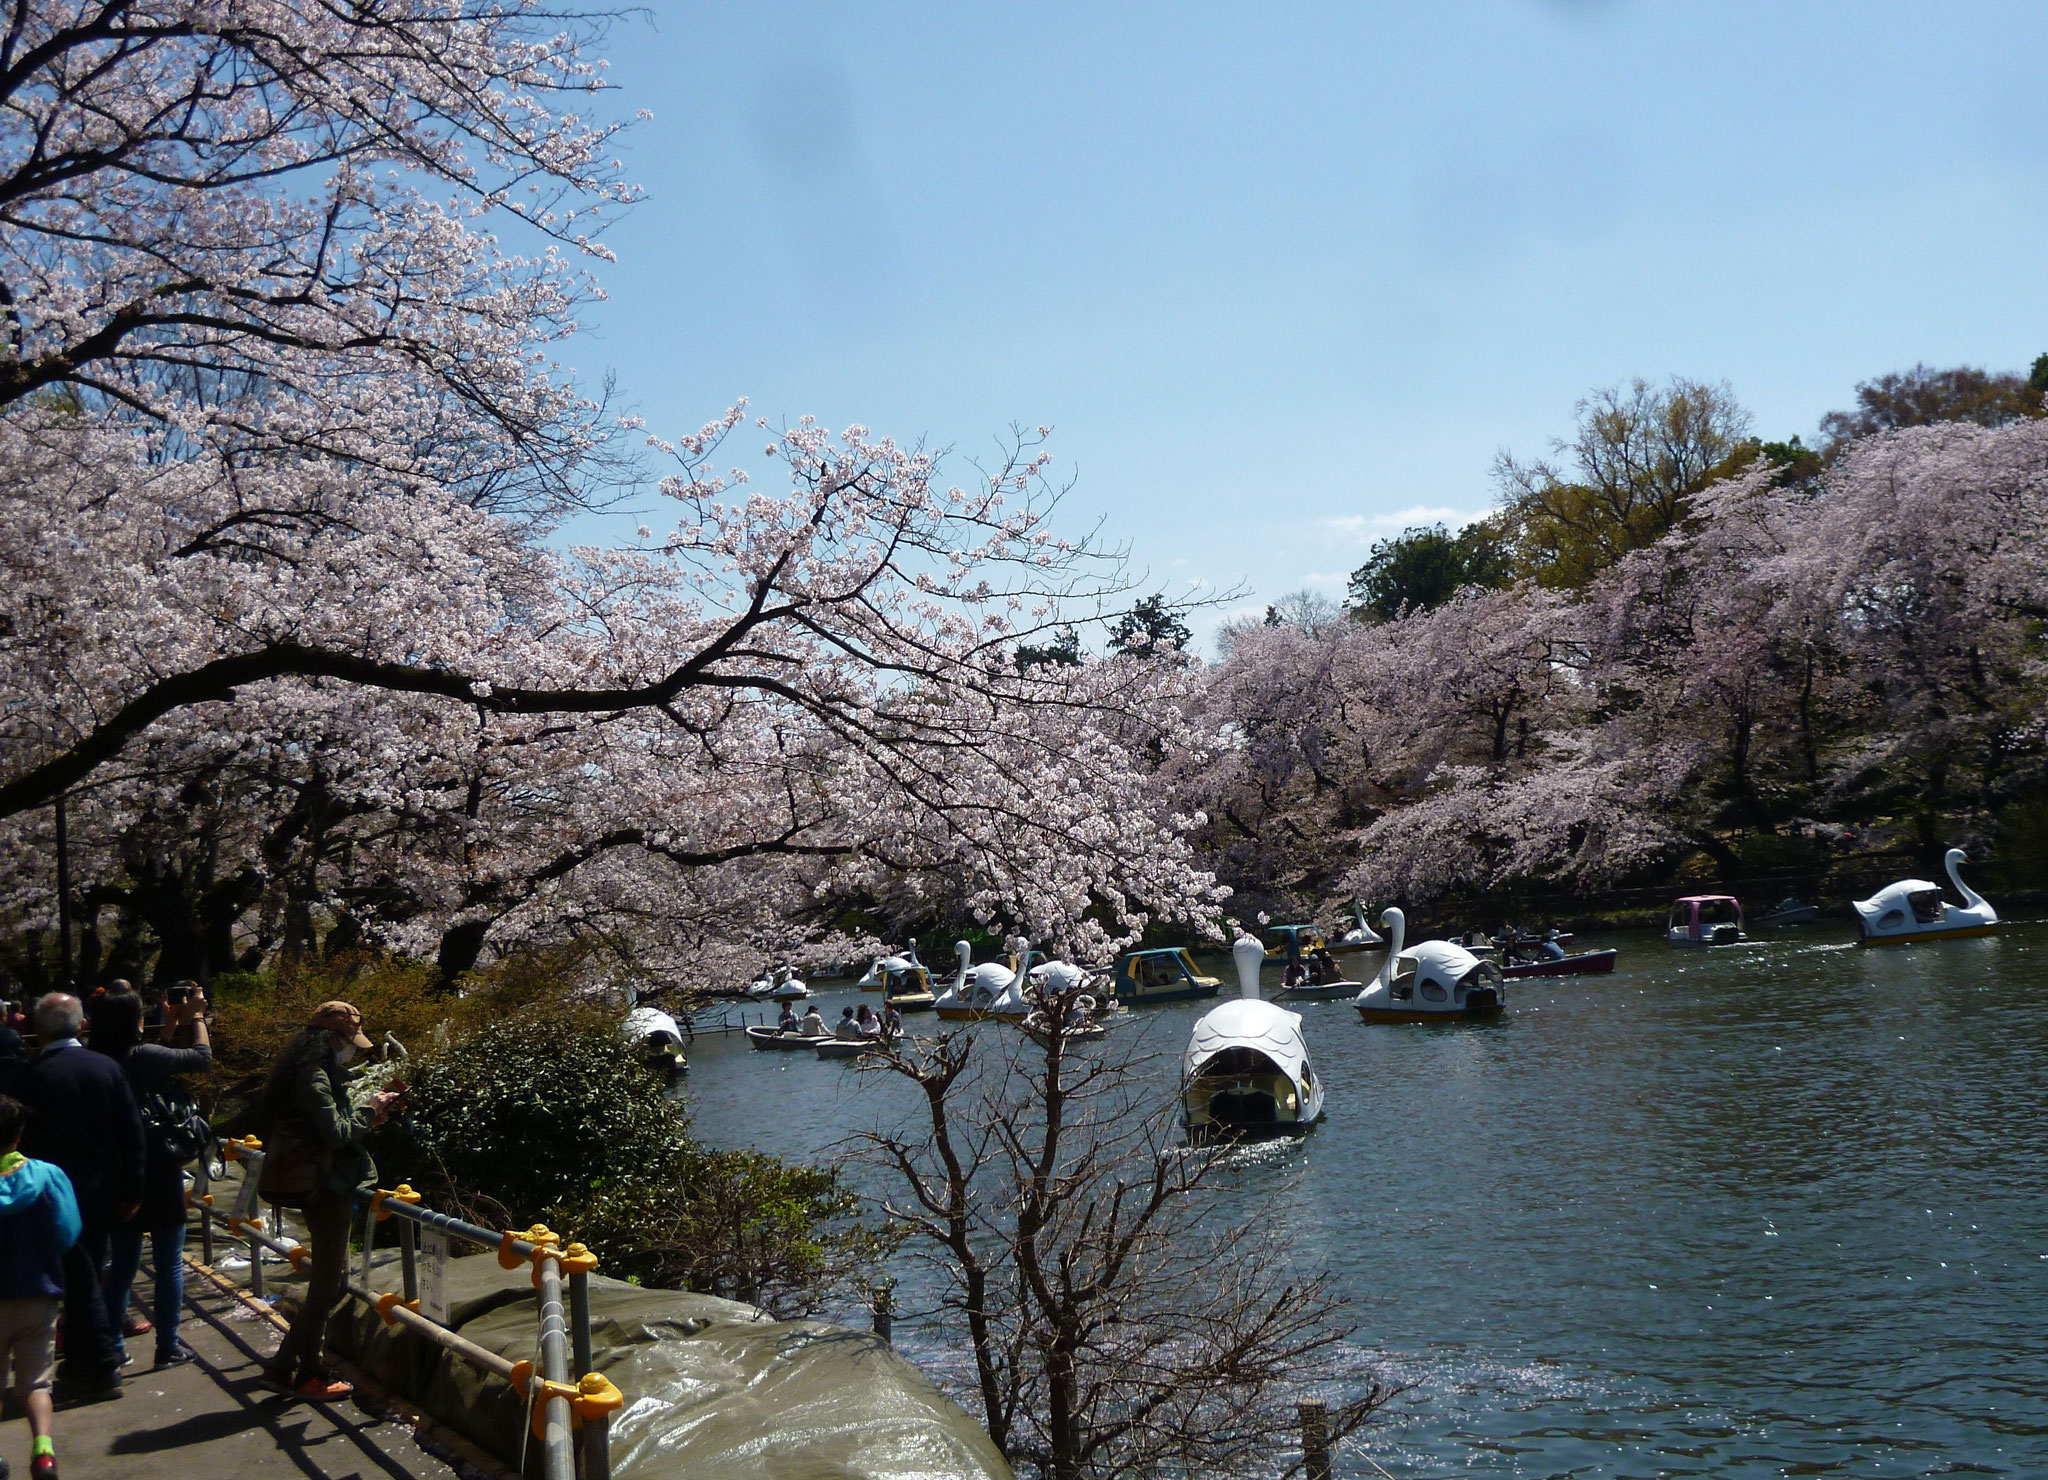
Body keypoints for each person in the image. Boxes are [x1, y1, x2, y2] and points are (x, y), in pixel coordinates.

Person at [254, 1002, 401, 1402]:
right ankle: (310, 1373)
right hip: (325, 1190)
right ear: (331, 1039)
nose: (352, 1049)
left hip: (317, 1183)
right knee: (329, 1284)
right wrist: (370, 1112)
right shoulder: (314, 1077)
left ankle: (283, 1368)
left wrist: (368, 1114)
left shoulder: (302, 1073)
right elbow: (335, 1133)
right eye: (349, 1042)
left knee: (330, 1282)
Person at [12, 994, 142, 1400]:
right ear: (81, 1025)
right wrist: (132, 1188)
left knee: (77, 1278)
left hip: (48, 1193)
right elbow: (132, 1132)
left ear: (41, 1029)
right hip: (101, 1187)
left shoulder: (31, 1076)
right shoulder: (106, 1067)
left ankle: (98, 1362)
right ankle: (91, 1361)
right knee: (87, 1273)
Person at [91, 987, 211, 1368]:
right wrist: (197, 1018)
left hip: (117, 1170)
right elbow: (201, 1058)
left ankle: (112, 1347)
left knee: (123, 1263)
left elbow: (153, 1053)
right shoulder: (142, 1056)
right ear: (132, 1020)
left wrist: (170, 1022)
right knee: (168, 1262)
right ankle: (168, 1345)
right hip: (158, 1167)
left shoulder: (96, 1056)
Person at [0, 1094, 80, 1480]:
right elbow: (68, 1232)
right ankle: (43, 1452)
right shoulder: (48, 1176)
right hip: (38, 1289)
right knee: (36, 1382)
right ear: (18, 1136)